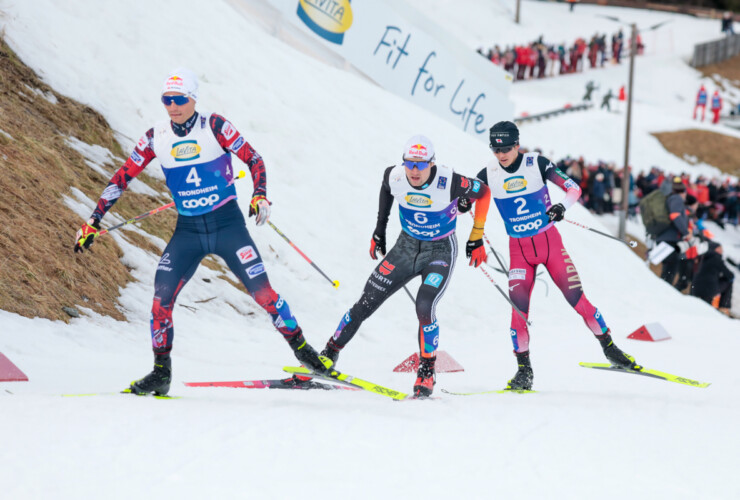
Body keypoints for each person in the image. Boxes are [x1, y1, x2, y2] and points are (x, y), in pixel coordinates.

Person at [73, 68, 327, 395]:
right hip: (188, 232)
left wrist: (260, 194)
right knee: (160, 300)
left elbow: (255, 159)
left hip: (227, 225)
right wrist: (93, 220)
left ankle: (308, 356)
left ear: (194, 98)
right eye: (167, 99)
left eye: (180, 99)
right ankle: (160, 373)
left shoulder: (215, 127)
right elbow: (122, 177)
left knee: (264, 294)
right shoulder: (156, 137)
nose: (173, 106)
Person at [460, 121, 639, 391]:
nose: (502, 154)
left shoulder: (536, 163)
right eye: (496, 149)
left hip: (550, 245)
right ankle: (524, 372)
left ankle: (610, 349)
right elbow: (468, 199)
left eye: (507, 148)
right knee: (518, 312)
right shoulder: (488, 173)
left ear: (517, 145)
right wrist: (463, 202)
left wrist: (561, 206)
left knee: (578, 301)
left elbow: (574, 189)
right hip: (519, 251)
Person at [316, 135, 491, 397]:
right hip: (405, 248)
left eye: (421, 164)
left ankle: (427, 370)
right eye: (410, 163)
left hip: (439, 250)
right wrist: (379, 231)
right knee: (366, 301)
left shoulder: (449, 180)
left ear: (433, 163)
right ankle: (329, 353)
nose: (415, 170)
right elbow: (386, 191)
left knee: (424, 306)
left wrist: (476, 235)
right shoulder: (394, 176)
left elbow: (483, 192)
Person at [655, 177, 690, 287]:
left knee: (668, 268)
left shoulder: (671, 198)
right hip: (670, 239)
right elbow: (675, 215)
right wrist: (685, 232)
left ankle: (663, 290)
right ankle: (664, 292)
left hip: (666, 237)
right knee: (670, 269)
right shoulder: (677, 199)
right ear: (683, 192)